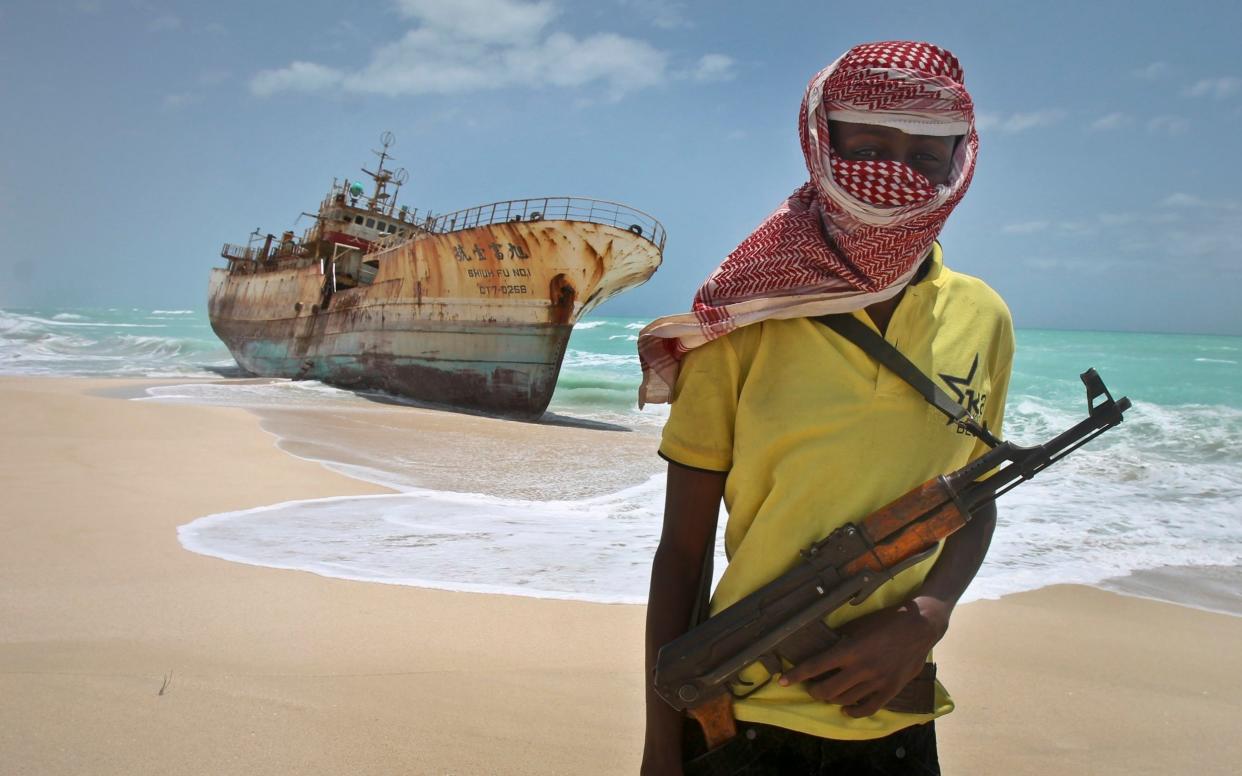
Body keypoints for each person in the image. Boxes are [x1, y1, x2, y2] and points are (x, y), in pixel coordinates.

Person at [637, 41, 1014, 775]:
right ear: (822, 146)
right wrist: (659, 751)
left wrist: (927, 616)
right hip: (737, 715)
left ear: (957, 168)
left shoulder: (984, 317)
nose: (896, 175)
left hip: (894, 715)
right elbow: (681, 555)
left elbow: (976, 493)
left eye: (926, 158)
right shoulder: (743, 321)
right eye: (870, 146)